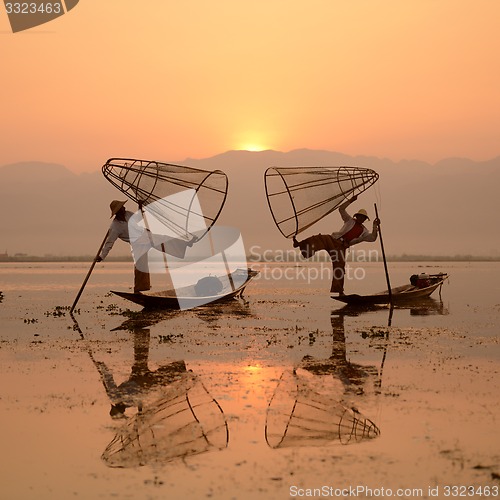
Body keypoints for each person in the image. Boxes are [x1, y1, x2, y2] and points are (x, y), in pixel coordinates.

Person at [96, 200, 196, 293]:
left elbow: (138, 218)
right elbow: (109, 243)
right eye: (122, 207)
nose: (124, 208)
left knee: (164, 239)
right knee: (140, 266)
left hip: (145, 235)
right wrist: (101, 256)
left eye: (123, 206)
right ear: (118, 211)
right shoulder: (115, 227)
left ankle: (186, 243)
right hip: (137, 244)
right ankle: (138, 290)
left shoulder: (128, 214)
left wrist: (139, 207)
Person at [292, 195, 380, 295]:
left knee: (340, 268)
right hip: (333, 240)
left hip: (341, 247)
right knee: (319, 238)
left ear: (364, 219)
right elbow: (341, 209)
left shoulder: (364, 231)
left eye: (363, 218)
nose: (361, 219)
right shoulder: (349, 220)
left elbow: (373, 238)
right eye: (360, 216)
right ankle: (299, 244)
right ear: (357, 216)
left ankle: (340, 291)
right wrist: (350, 200)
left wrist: (375, 226)